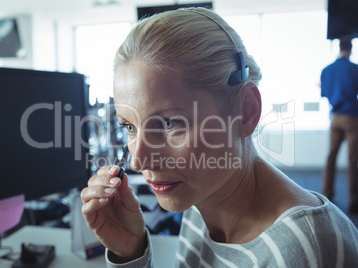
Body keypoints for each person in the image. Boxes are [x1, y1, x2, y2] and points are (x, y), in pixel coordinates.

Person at [81, 7, 358, 267]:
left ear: (246, 111)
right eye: (129, 127)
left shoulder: (302, 251)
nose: (138, 161)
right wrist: (130, 251)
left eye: (168, 123)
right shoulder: (200, 201)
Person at [321, 38, 358, 213]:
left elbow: (326, 94)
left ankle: (327, 195)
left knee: (331, 157)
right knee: (353, 160)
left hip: (335, 117)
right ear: (350, 49)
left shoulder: (326, 70)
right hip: (352, 117)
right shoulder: (355, 69)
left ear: (339, 47)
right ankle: (353, 199)